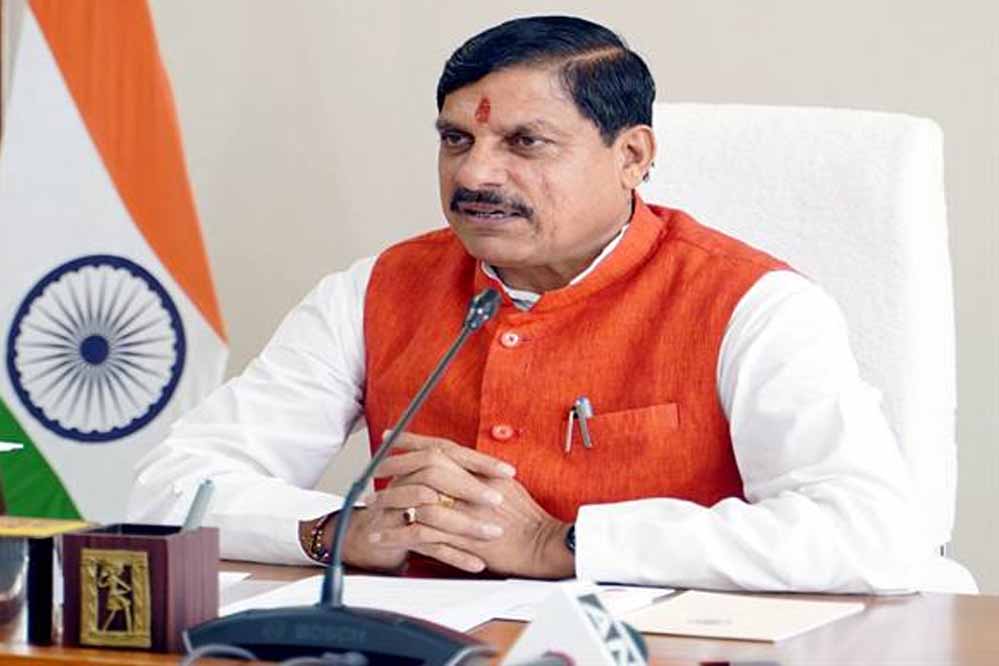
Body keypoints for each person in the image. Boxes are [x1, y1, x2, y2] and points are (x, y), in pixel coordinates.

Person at [128, 15, 927, 592]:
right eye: (456, 139)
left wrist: (557, 543)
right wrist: (335, 531)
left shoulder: (751, 304)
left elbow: (868, 533)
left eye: (524, 143)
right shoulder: (375, 289)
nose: (475, 175)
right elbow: (169, 487)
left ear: (631, 156)